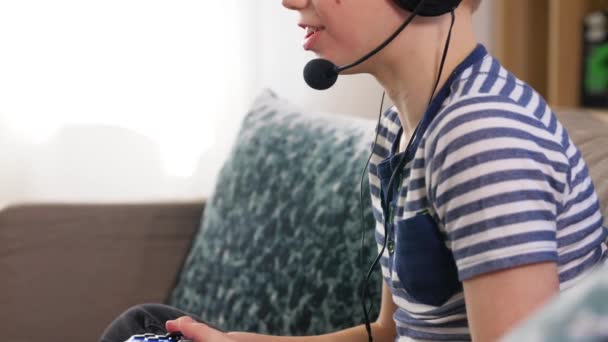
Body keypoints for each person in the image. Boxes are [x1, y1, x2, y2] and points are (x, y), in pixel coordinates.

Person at [100, 0, 608, 341]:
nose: (291, 0)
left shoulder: (483, 135)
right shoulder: (402, 122)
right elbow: (387, 333)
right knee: (150, 326)